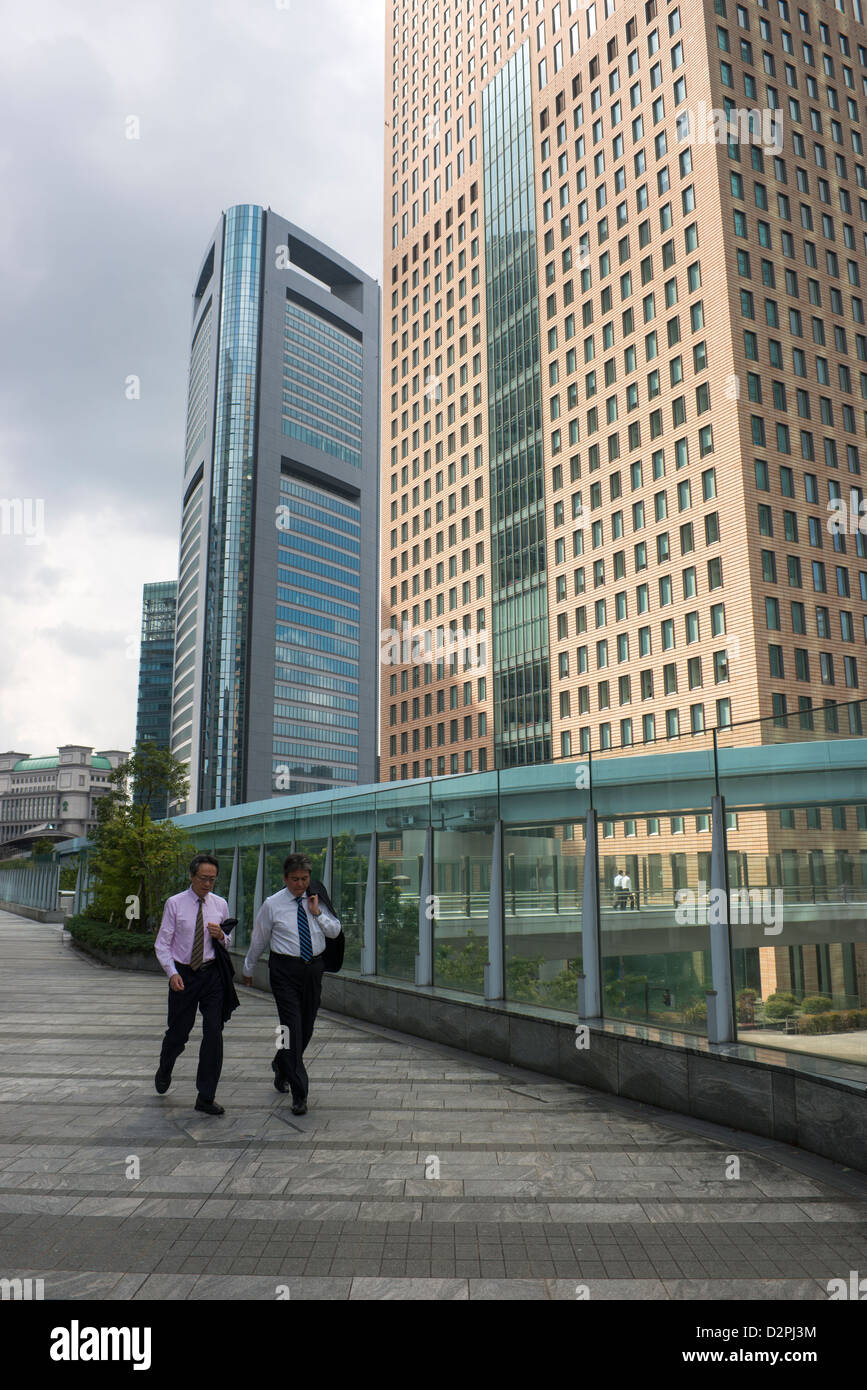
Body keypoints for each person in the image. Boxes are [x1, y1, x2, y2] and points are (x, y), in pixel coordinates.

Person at [242, 852, 342, 1116]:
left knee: (306, 1027)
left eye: (304, 879)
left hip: (313, 970)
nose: (300, 884)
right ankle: (300, 1093)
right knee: (291, 1027)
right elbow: (259, 938)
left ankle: (281, 1064)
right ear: (285, 878)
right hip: (284, 970)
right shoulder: (272, 904)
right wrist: (248, 967)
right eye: (295, 879)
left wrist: (317, 912)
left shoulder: (316, 897)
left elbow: (335, 931)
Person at [153, 854, 234, 1116]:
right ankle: (166, 1066)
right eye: (203, 878)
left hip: (212, 976)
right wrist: (171, 973)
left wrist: (221, 935)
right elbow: (162, 943)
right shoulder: (175, 904)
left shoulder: (220, 905)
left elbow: (227, 942)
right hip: (184, 975)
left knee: (214, 1033)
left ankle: (206, 1096)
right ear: (192, 876)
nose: (208, 884)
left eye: (212, 879)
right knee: (179, 1032)